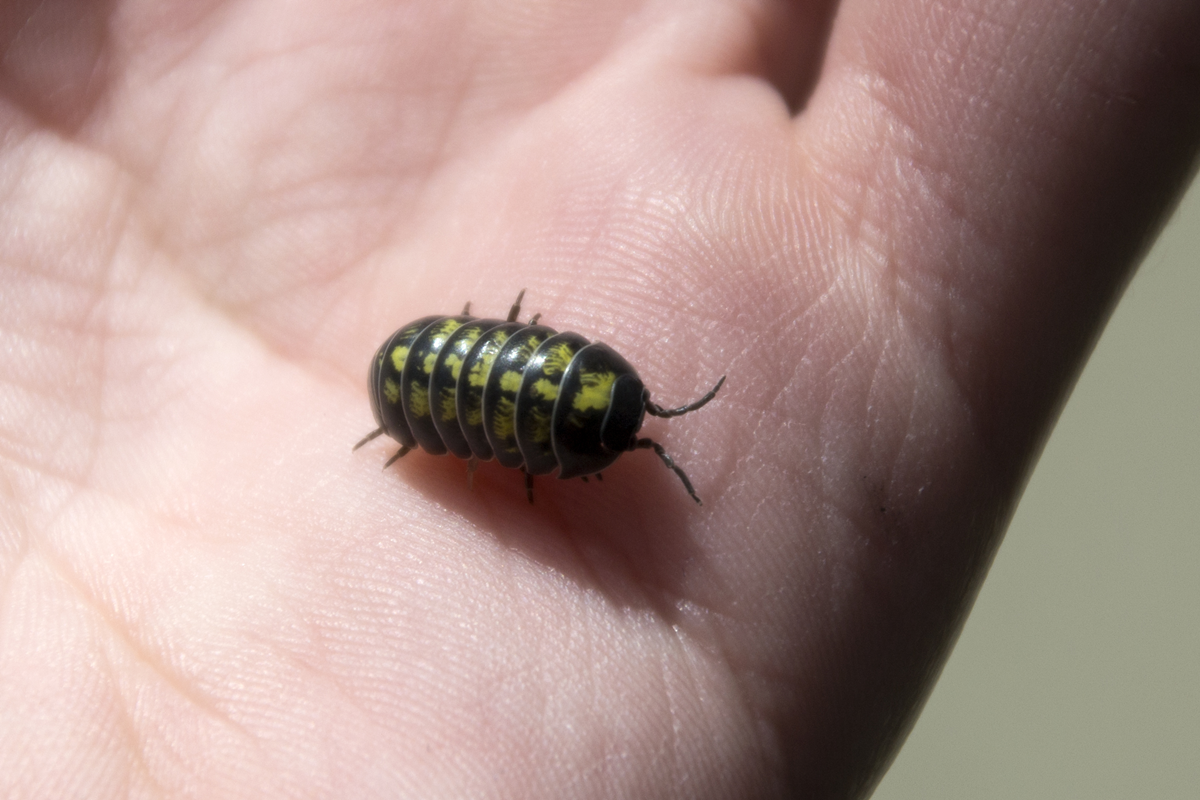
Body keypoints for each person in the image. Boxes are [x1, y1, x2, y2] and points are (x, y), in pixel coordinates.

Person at [0, 1, 1195, 796]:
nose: (638, 425)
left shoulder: (562, 407)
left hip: (434, 389)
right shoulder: (507, 411)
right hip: (425, 382)